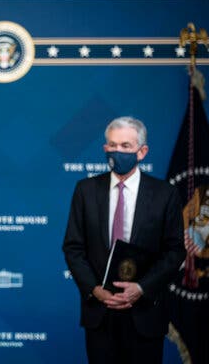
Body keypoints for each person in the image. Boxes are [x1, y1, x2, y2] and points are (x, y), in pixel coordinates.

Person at [62, 116, 185, 364]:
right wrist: (95, 290)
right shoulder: (85, 190)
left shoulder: (165, 194)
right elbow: (73, 247)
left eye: (125, 146)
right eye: (112, 145)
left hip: (145, 313)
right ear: (105, 148)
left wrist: (141, 288)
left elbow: (174, 252)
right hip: (100, 314)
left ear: (142, 152)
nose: (117, 151)